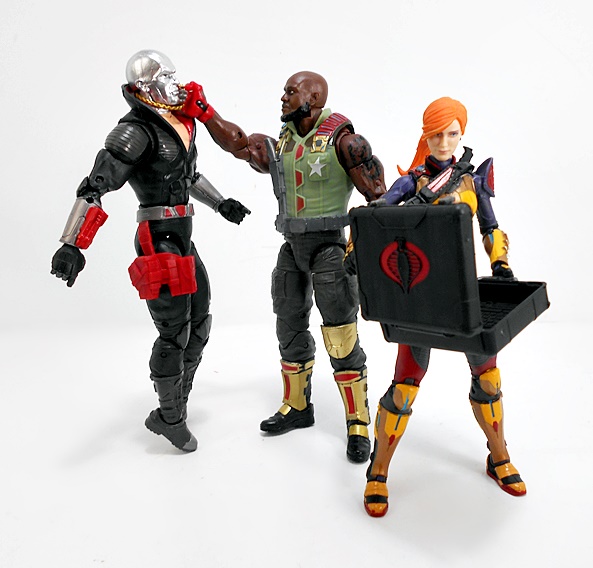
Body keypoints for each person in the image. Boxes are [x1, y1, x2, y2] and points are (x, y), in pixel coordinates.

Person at [50, 50, 250, 452]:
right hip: (157, 239)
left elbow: (187, 176)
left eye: (173, 75)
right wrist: (71, 244)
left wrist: (220, 202)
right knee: (174, 332)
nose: (175, 84)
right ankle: (170, 417)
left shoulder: (178, 123)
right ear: (144, 86)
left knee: (200, 321)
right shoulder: (135, 130)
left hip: (183, 237)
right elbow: (95, 185)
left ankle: (176, 405)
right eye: (165, 77)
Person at [201, 71, 386, 462]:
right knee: (288, 324)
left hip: (330, 246)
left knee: (340, 333)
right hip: (292, 246)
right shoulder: (282, 143)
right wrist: (203, 112)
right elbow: (238, 144)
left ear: (313, 97)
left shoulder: (345, 141)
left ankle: (357, 421)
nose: (283, 98)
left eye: (291, 91)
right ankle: (297, 405)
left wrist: (364, 247)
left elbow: (380, 199)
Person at [363, 96, 525, 517]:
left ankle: (499, 456)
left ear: (461, 134)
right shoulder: (411, 182)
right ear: (426, 136)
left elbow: (491, 227)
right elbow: (376, 217)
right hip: (418, 294)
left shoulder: (471, 179)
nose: (444, 141)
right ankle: (378, 471)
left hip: (464, 294)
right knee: (404, 387)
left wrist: (501, 263)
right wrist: (358, 247)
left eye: (452, 133)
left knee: (488, 379)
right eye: (436, 134)